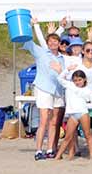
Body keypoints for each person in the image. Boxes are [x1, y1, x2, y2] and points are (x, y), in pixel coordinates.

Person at [24, 27, 65, 161]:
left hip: (58, 91)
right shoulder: (41, 53)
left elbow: (64, 75)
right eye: (51, 41)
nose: (53, 44)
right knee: (43, 120)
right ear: (47, 43)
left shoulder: (62, 58)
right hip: (44, 89)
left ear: (59, 44)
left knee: (54, 122)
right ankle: (38, 150)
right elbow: (29, 41)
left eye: (56, 41)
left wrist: (61, 71)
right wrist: (33, 25)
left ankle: (50, 149)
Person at [53, 70, 92, 160]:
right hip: (72, 114)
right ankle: (58, 156)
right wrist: (67, 70)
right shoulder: (70, 86)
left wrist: (84, 105)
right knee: (68, 137)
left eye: (79, 80)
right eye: (75, 80)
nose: (77, 82)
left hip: (83, 113)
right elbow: (59, 78)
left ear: (84, 79)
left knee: (87, 134)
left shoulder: (87, 90)